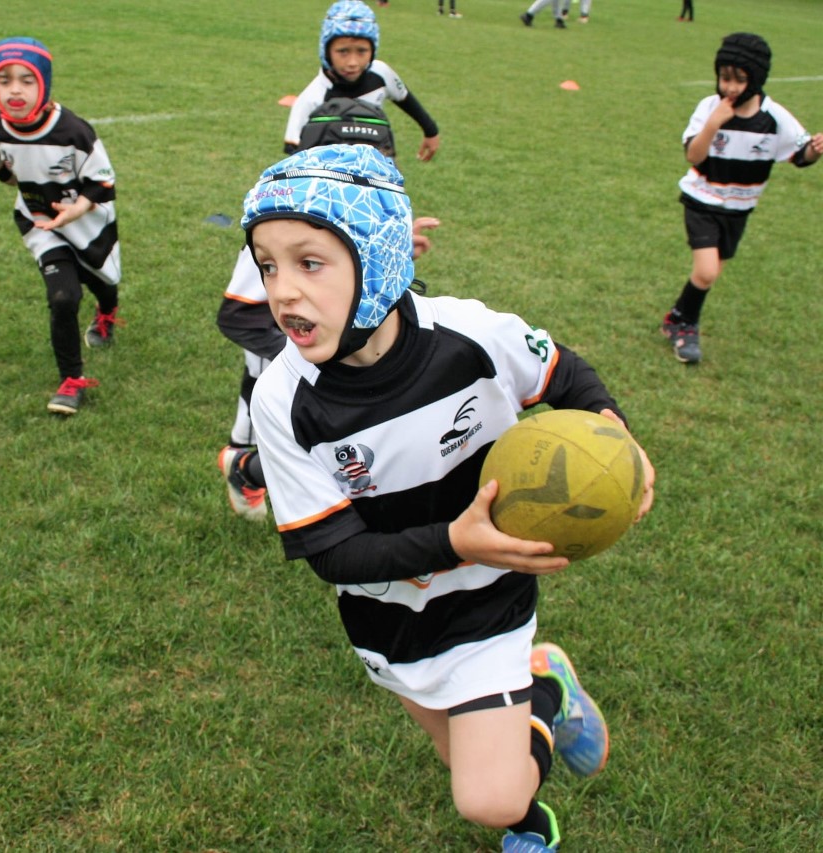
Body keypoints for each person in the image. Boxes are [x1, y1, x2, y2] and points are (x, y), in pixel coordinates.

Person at [236, 143, 655, 852]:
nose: (282, 291)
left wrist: (617, 435)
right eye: (268, 265)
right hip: (386, 620)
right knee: (471, 758)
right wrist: (453, 541)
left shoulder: (470, 336)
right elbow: (334, 553)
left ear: (377, 261)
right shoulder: (283, 399)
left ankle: (540, 696)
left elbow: (563, 371)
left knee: (487, 794)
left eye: (310, 262)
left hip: (490, 595)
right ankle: (537, 746)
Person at [217, 99, 439, 521]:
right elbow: (235, 315)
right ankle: (245, 470)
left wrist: (389, 254)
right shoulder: (283, 233)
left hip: (333, 350)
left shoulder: (358, 220)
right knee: (312, 443)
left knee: (344, 440)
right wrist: (306, 350)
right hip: (294, 356)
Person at [661, 33, 822, 364]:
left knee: (710, 274)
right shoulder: (710, 107)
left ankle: (676, 318)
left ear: (757, 78)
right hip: (702, 200)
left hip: (739, 209)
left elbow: (799, 155)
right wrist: (713, 125)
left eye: (740, 80)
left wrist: (813, 150)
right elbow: (693, 154)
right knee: (705, 272)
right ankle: (686, 326)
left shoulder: (774, 117)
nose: (730, 87)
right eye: (725, 78)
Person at [0, 36, 122, 415]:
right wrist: (39, 202)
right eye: (5, 80)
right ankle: (72, 380)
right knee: (63, 297)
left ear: (44, 83)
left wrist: (74, 211)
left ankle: (107, 312)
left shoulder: (75, 131)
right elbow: (3, 171)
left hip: (89, 222)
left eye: (27, 80)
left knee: (103, 280)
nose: (15, 90)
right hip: (39, 224)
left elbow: (104, 184)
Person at [283, 1, 440, 162]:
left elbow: (405, 98)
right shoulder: (311, 99)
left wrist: (431, 131)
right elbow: (293, 159)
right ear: (326, 51)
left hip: (376, 174)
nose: (353, 62)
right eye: (343, 51)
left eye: (362, 51)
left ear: (373, 50)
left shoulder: (381, 74)